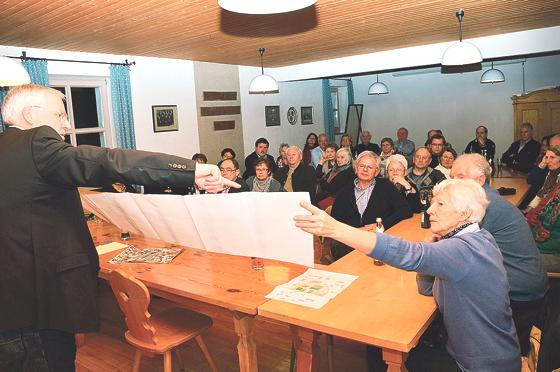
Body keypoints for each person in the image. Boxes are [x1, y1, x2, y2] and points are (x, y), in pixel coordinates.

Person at [0, 84, 237, 372]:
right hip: (37, 309)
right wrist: (192, 171)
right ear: (29, 114)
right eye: (60, 115)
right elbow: (106, 161)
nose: (67, 124)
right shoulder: (37, 142)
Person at [294, 179, 521, 372]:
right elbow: (426, 288)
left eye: (440, 204)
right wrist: (429, 246)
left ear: (464, 213)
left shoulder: (463, 250)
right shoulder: (480, 238)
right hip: (485, 354)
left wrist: (336, 229)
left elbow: (406, 254)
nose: (430, 210)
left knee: (382, 347)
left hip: (480, 366)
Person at [451, 153, 548, 357]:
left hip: (518, 294)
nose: (452, 183)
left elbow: (455, 251)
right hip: (525, 282)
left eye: (459, 178)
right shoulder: (487, 199)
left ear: (480, 180)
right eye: (451, 177)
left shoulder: (485, 207)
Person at [330, 151, 412, 260]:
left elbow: (405, 210)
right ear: (356, 169)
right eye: (362, 166)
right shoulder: (345, 191)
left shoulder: (386, 187)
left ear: (377, 172)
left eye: (370, 167)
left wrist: (381, 225)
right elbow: (335, 219)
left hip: (378, 239)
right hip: (351, 240)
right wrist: (356, 231)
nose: (365, 169)